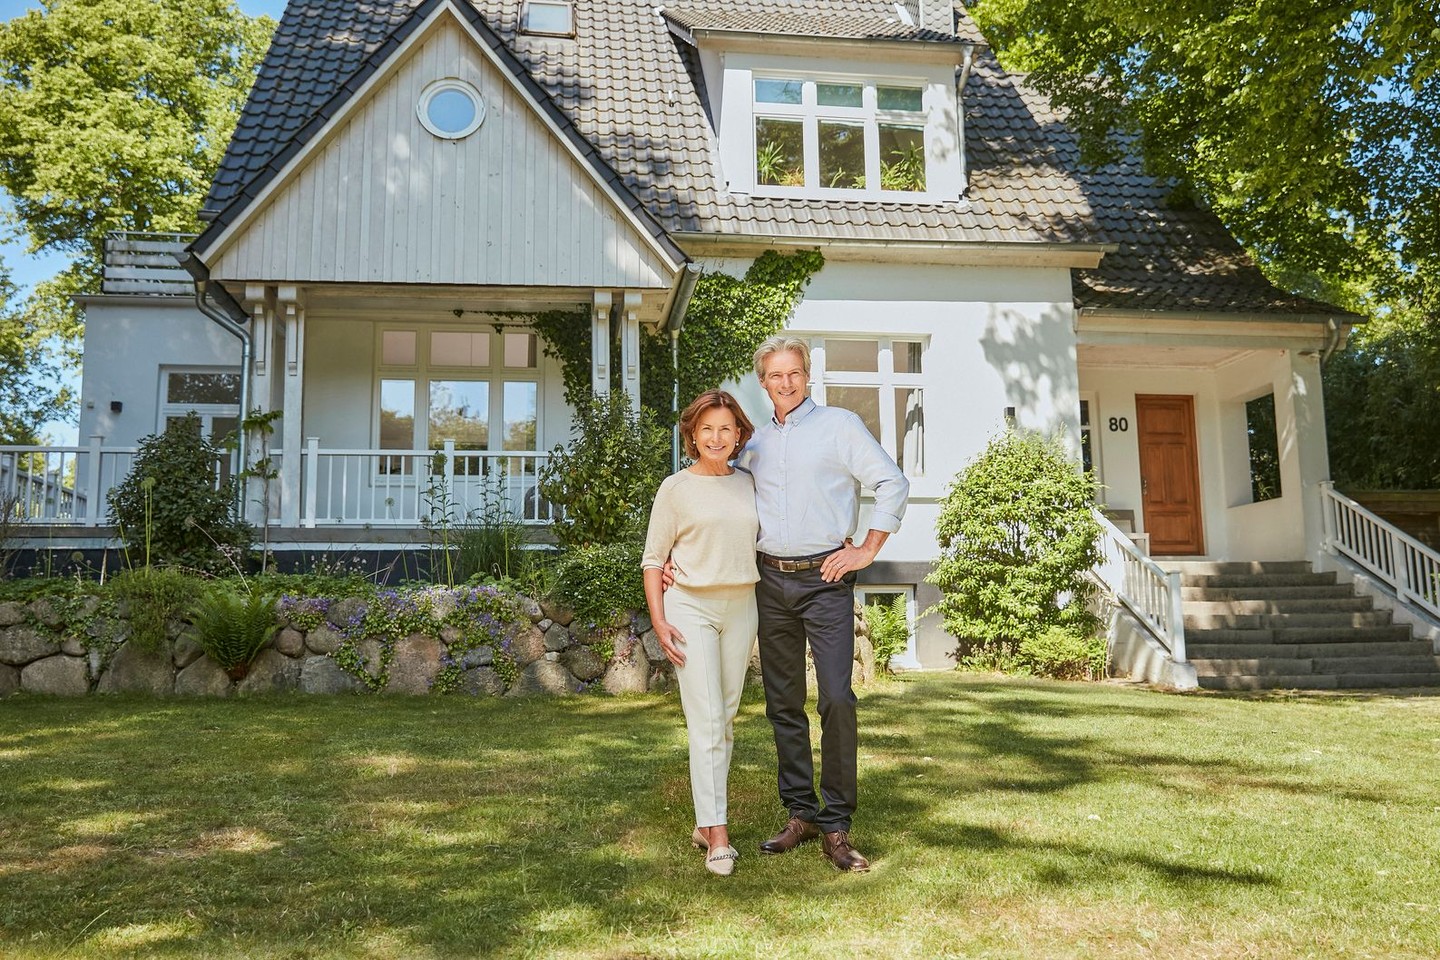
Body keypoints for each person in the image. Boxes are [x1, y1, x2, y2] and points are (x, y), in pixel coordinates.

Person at [737, 335, 908, 873]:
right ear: (762, 383)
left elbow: (892, 483)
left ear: (807, 375)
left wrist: (865, 550)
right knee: (782, 702)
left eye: (794, 373)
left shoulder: (840, 427)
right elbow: (725, 505)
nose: (785, 383)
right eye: (774, 375)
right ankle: (800, 813)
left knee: (836, 698)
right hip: (770, 582)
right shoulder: (755, 444)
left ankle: (836, 824)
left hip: (825, 579)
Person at [641, 389, 760, 876]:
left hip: (742, 605)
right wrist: (659, 619)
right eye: (706, 429)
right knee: (707, 718)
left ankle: (704, 821)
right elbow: (653, 559)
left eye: (725, 429)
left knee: (725, 717)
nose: (716, 437)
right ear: (692, 435)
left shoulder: (750, 483)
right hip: (689, 605)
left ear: (738, 435)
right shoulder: (675, 488)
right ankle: (719, 835)